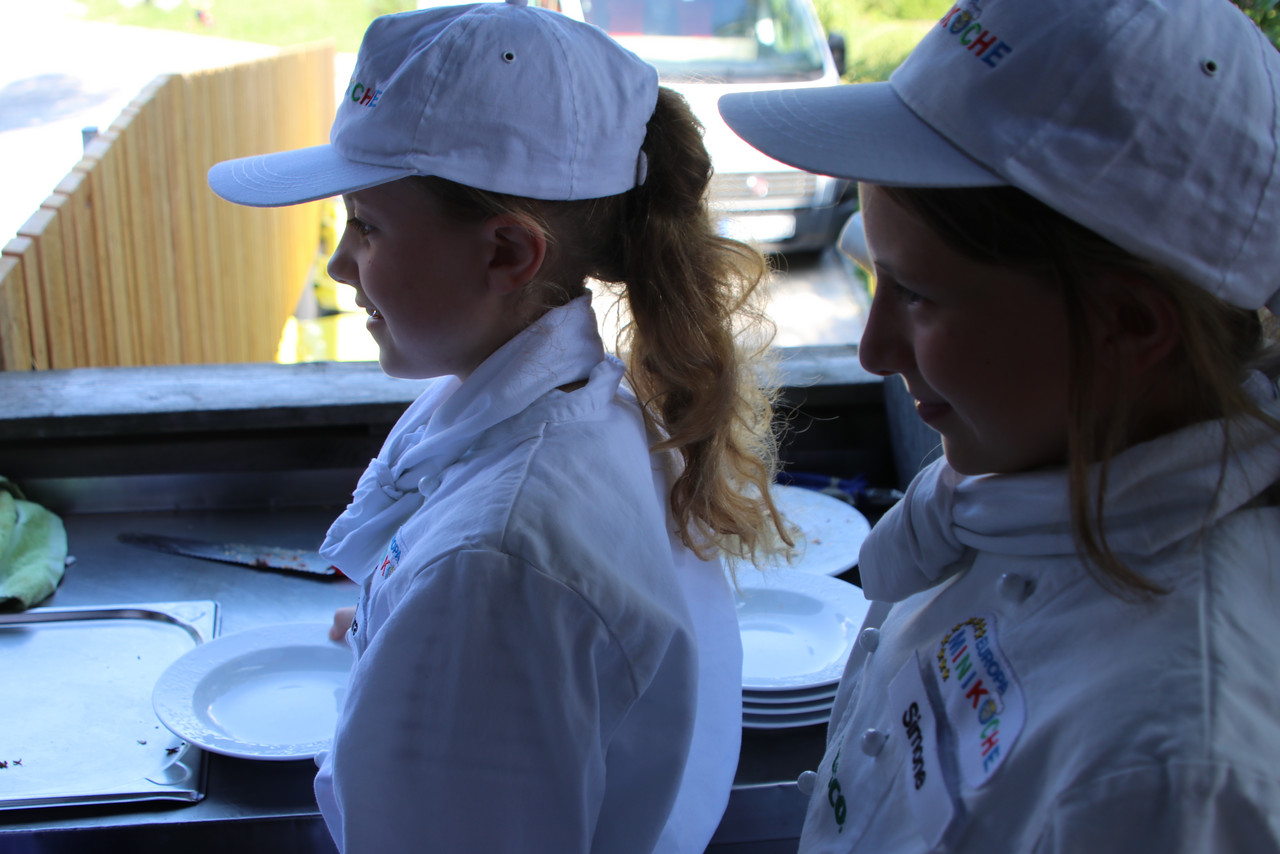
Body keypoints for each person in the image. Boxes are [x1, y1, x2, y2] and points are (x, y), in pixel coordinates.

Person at [208, 2, 788, 850]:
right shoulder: (583, 405)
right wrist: (401, 626)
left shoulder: (493, 570)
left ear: (507, 253)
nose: (337, 266)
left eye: (366, 225)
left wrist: (451, 630)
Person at [719, 0, 1280, 851]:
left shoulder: (1168, 772)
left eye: (917, 294)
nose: (874, 351)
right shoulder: (1020, 469)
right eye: (872, 279)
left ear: (1128, 326)